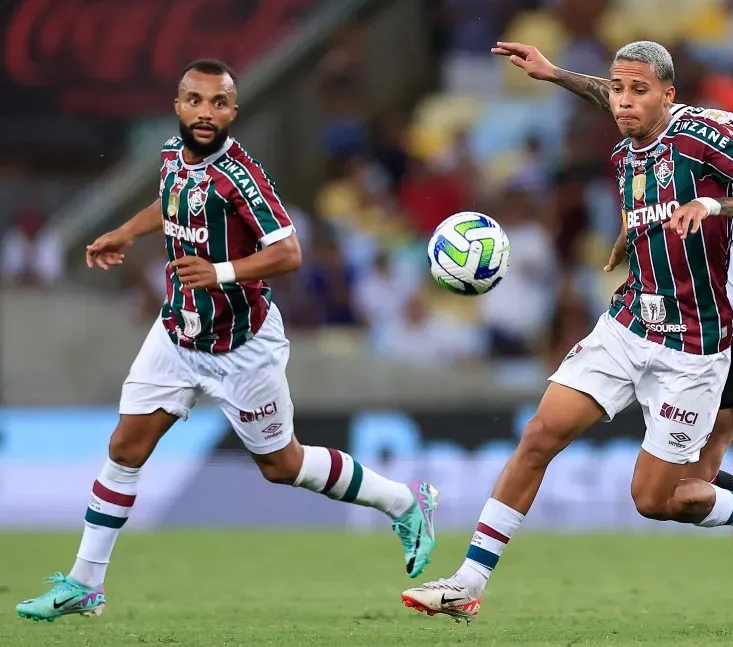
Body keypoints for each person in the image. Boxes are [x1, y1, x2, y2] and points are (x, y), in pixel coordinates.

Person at [15, 59, 439, 623]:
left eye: (219, 103)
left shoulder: (242, 176)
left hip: (241, 347)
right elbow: (169, 203)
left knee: (282, 465)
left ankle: (405, 503)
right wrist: (126, 231)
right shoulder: (171, 154)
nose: (206, 112)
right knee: (125, 449)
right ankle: (85, 584)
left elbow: (289, 252)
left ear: (234, 111)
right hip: (176, 334)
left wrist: (221, 272)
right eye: (196, 100)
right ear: (178, 104)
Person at [402, 41, 733, 622]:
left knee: (658, 500)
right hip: (628, 323)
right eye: (618, 90)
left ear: (669, 94)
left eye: (640, 91)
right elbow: (607, 97)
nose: (624, 102)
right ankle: (468, 582)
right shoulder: (625, 151)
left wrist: (713, 208)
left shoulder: (701, 137)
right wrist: (554, 73)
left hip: (691, 345)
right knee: (540, 434)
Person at [492, 41, 733, 636]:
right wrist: (554, 73)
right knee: (693, 486)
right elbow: (638, 103)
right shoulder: (730, 134)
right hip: (722, 326)